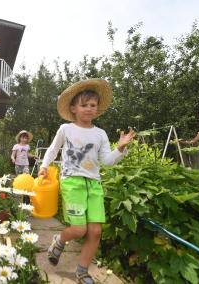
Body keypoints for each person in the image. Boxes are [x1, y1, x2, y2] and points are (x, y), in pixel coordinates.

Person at [38, 79, 134, 284]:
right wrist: (45, 166)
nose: (89, 109)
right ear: (73, 108)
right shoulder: (66, 129)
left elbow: (106, 161)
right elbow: (53, 149)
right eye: (84, 105)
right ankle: (60, 239)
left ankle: (82, 271)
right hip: (72, 182)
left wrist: (121, 148)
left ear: (97, 109)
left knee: (96, 231)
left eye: (93, 105)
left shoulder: (100, 134)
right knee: (79, 229)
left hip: (94, 184)